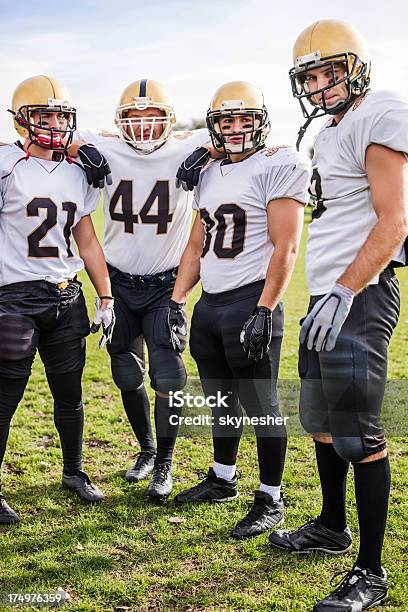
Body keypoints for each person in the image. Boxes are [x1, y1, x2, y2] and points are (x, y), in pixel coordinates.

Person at [268, 20, 408, 611]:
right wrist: (329, 292)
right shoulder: (328, 131)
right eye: (311, 76)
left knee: (358, 434)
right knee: (322, 423)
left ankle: (371, 573)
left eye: (330, 71)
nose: (321, 84)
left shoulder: (383, 111)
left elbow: (394, 220)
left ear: (356, 67)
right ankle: (331, 526)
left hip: (360, 294)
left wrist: (348, 290)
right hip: (328, 295)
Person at [170, 81, 311, 537]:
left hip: (251, 299)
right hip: (210, 303)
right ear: (214, 126)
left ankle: (272, 498)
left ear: (261, 122)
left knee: (263, 405)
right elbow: (197, 241)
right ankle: (223, 478)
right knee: (221, 400)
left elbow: (287, 244)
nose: (235, 129)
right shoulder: (208, 172)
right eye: (226, 121)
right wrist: (177, 299)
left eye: (244, 120)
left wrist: (266, 308)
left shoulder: (280, 163)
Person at [74, 79, 211, 502]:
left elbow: (234, 135)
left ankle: (166, 463)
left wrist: (208, 152)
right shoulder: (103, 143)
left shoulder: (191, 143)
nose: (143, 126)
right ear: (120, 121)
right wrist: (80, 151)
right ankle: (147, 450)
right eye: (133, 118)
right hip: (117, 281)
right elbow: (56, 133)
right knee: (126, 374)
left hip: (165, 283)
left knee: (168, 375)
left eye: (152, 117)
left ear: (169, 120)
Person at [0, 75, 115, 524]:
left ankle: (73, 471)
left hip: (66, 297)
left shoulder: (77, 171)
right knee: (5, 400)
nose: (54, 123)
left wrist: (105, 296)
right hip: (15, 298)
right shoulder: (7, 163)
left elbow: (86, 241)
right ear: (21, 120)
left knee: (70, 393)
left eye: (61, 115)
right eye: (43, 115)